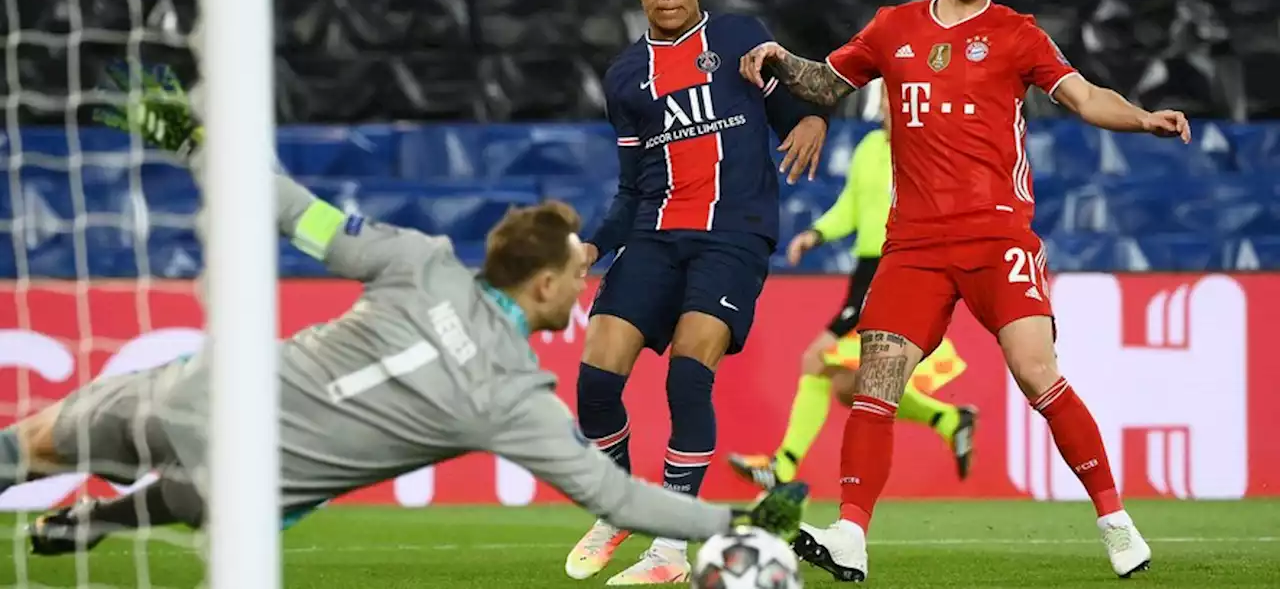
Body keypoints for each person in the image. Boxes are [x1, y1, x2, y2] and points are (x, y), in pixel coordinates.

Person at [4, 64, 810, 556]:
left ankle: (96, 515)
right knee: (222, 497)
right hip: (253, 484)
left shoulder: (417, 261)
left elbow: (298, 213)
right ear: (541, 287)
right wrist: (738, 519)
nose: (582, 284)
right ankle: (107, 520)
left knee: (40, 440)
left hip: (208, 395)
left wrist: (193, 143)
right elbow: (619, 499)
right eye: (575, 271)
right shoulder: (515, 402)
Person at [739, 0, 1190, 582]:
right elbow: (828, 82)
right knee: (875, 381)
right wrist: (779, 58)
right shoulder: (893, 30)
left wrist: (1143, 119)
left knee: (1037, 372)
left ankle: (1115, 520)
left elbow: (1085, 95)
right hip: (914, 245)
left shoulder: (1018, 34)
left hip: (996, 233)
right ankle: (851, 536)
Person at [567, 0, 829, 585]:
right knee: (596, 378)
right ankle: (621, 502)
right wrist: (596, 245)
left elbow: (802, 94)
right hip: (655, 233)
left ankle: (668, 552)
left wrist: (812, 117)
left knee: (688, 373)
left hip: (732, 235)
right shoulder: (626, 76)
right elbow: (631, 188)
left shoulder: (741, 37)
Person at [726, 85, 977, 491]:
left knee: (817, 361)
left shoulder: (931, 152)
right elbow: (852, 205)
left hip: (902, 271)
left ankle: (784, 467)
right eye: (881, 104)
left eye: (890, 104)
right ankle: (948, 419)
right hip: (868, 272)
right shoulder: (869, 148)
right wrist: (816, 233)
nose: (884, 112)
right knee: (846, 385)